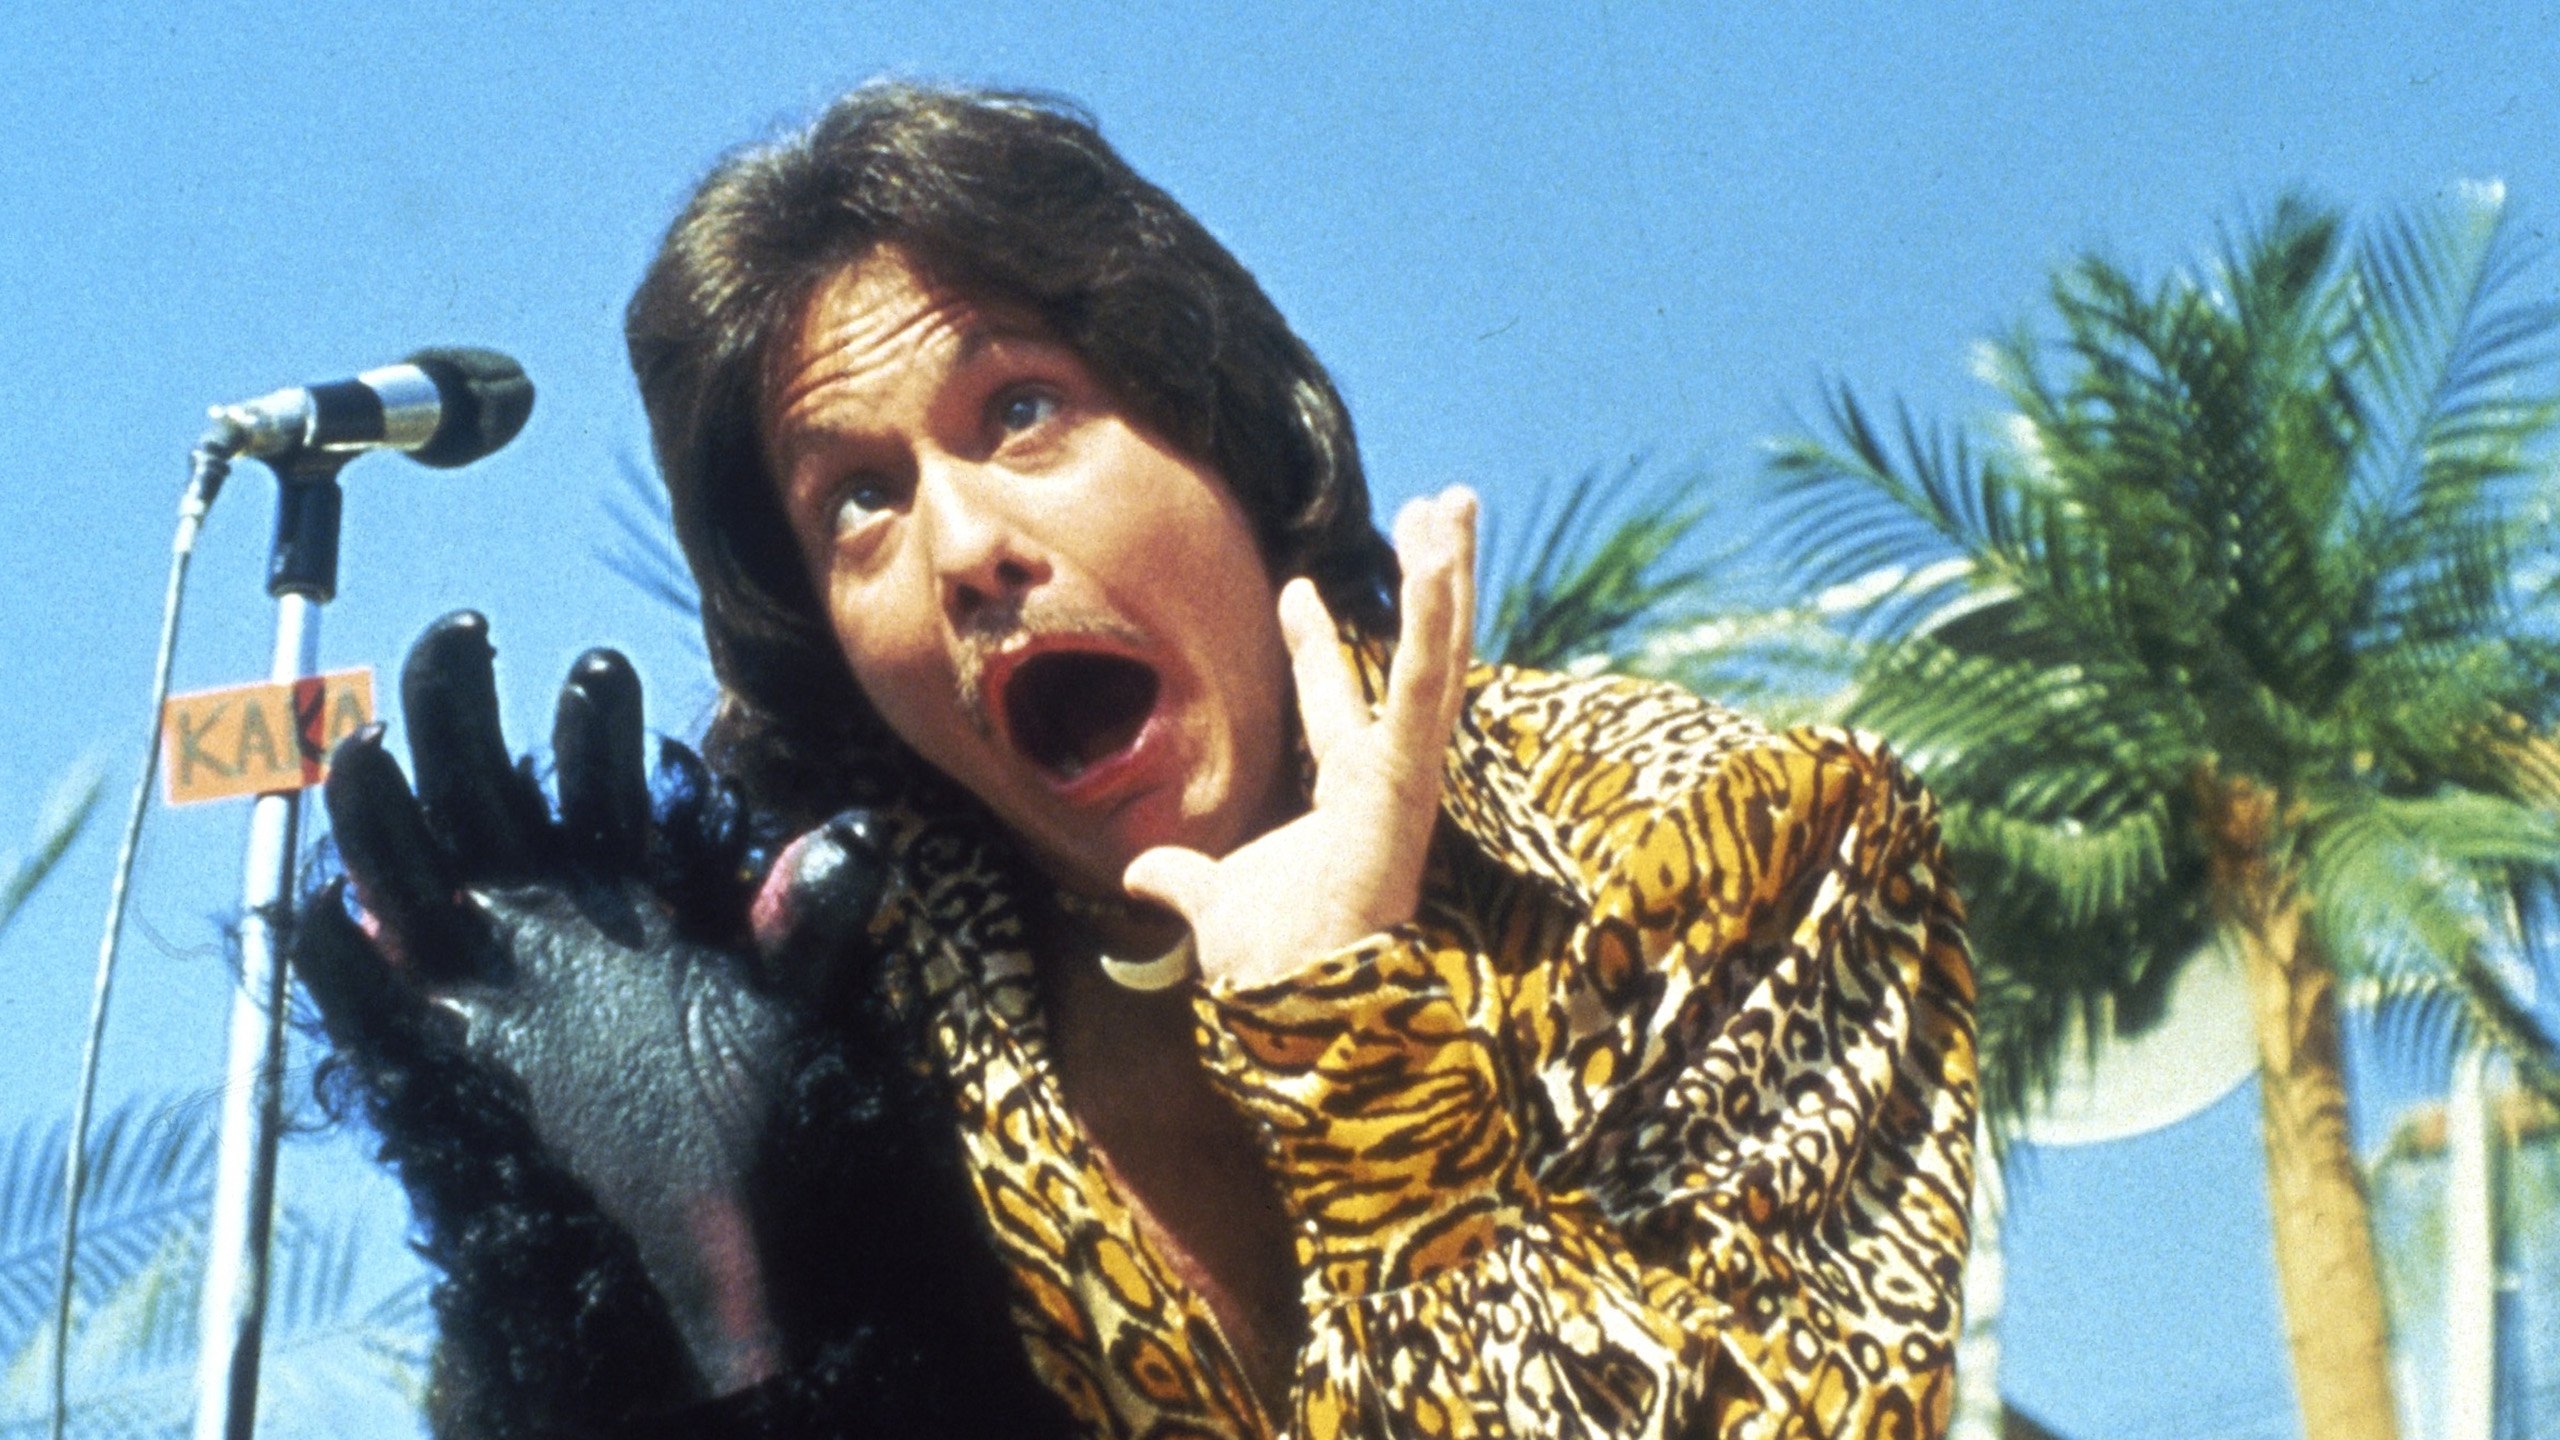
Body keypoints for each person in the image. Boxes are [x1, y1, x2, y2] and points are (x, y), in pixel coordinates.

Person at [314, 80, 1978, 1440]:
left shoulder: (1732, 836)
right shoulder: (855, 1022)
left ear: (1218, 424)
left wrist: (1349, 1052)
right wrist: (637, 1327)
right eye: (859, 502)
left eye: (1021, 410)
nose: (964, 546)